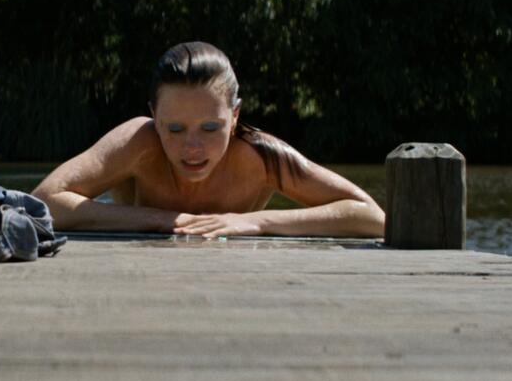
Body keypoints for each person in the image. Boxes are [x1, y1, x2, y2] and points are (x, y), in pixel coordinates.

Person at [31, 41, 385, 238]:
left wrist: (255, 222)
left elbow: (372, 216)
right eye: (174, 129)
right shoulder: (139, 142)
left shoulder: (261, 155)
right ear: (155, 116)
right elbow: (42, 203)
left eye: (211, 128)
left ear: (235, 117)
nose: (192, 147)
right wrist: (159, 219)